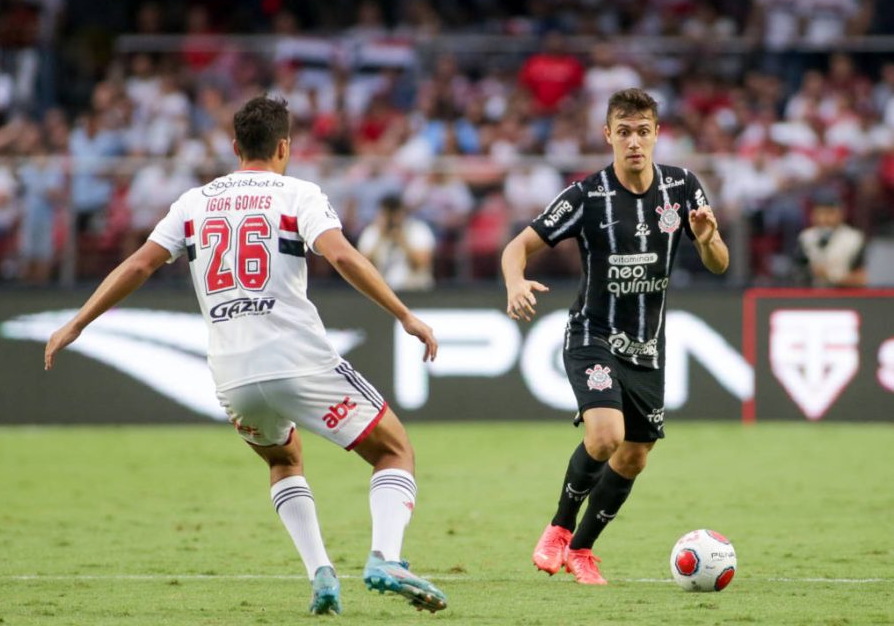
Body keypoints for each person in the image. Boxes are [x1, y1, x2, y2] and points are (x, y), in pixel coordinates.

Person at [44, 96, 447, 615]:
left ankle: (321, 575)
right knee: (394, 451)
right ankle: (386, 558)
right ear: (284, 147)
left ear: (234, 147)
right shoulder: (299, 193)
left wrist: (78, 321)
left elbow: (140, 265)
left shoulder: (192, 202)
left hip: (231, 372)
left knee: (283, 457)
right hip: (298, 358)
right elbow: (342, 254)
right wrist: (405, 315)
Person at [501, 88, 729, 585]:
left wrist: (708, 238)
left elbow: (719, 263)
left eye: (643, 131)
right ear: (608, 135)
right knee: (606, 436)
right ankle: (559, 529)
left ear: (656, 134)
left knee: (634, 455)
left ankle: (582, 550)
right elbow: (517, 246)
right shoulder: (587, 196)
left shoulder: (685, 187)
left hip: (648, 346)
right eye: (623, 132)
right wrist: (516, 280)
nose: (634, 142)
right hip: (593, 334)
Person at [357, 194, 435, 291]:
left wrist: (402, 239)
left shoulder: (418, 229)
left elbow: (421, 264)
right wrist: (380, 237)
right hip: (382, 291)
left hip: (414, 290)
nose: (392, 219)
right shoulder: (372, 232)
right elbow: (363, 269)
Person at [794, 190, 867, 288]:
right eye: (819, 213)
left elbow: (861, 279)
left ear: (841, 214)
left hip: (844, 297)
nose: (823, 219)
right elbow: (797, 274)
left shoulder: (854, 239)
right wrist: (808, 273)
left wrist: (831, 276)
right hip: (812, 298)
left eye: (829, 213)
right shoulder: (806, 238)